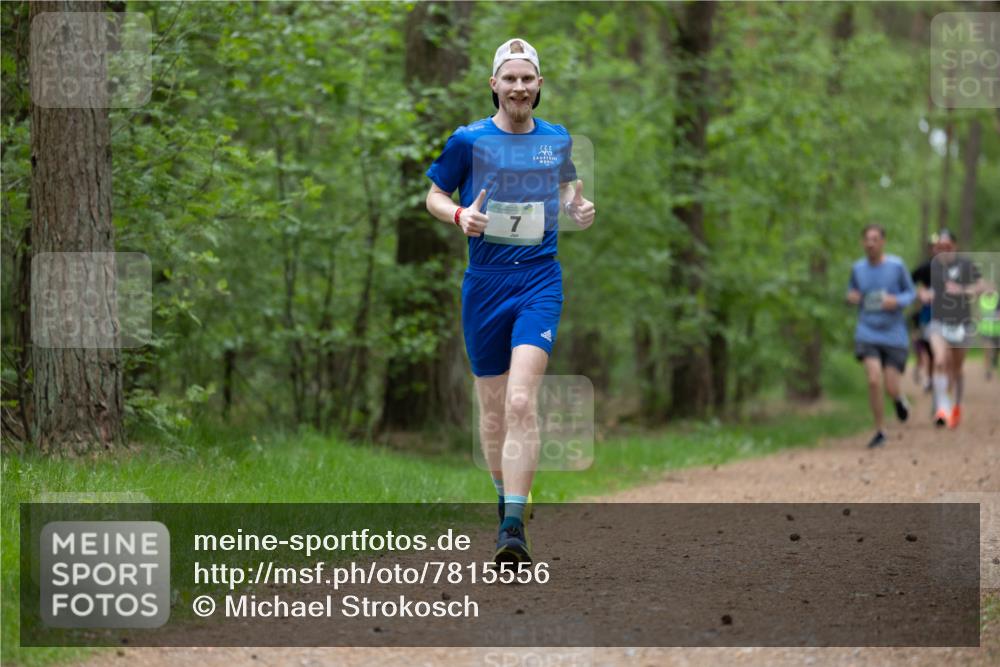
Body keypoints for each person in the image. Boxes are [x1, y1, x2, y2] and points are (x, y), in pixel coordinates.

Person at [424, 38, 595, 564]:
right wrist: (458, 217)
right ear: (494, 85)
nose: (519, 87)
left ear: (539, 85)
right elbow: (433, 194)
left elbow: (567, 186)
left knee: (522, 400)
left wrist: (577, 203)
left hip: (539, 282)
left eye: (528, 78)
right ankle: (505, 505)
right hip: (485, 282)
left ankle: (514, 529)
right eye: (510, 78)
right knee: (493, 410)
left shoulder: (556, 139)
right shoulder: (467, 141)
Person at [847, 224, 914, 448]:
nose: (871, 243)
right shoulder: (857, 268)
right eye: (867, 239)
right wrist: (852, 297)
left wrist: (896, 301)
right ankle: (879, 430)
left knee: (891, 386)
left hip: (894, 332)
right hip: (867, 330)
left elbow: (911, 293)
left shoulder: (896, 266)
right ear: (862, 243)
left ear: (883, 242)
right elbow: (852, 292)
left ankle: (898, 400)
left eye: (875, 239)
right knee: (874, 378)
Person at [918, 230, 987, 428]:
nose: (943, 251)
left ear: (954, 247)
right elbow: (912, 284)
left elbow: (981, 286)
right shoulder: (929, 267)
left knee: (955, 369)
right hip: (937, 321)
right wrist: (922, 293)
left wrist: (963, 290)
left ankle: (955, 405)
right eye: (940, 247)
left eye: (947, 247)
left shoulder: (965, 265)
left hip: (961, 322)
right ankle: (942, 408)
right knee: (940, 360)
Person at [979, 290, 1000, 381]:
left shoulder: (998, 299)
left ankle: (995, 359)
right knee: (987, 351)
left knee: (996, 351)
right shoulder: (981, 299)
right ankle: (988, 371)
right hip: (985, 331)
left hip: (997, 331)